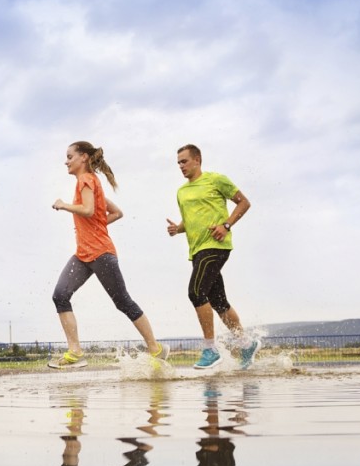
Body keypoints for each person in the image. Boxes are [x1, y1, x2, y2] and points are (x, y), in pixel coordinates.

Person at [51, 141, 169, 368]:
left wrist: (64, 205)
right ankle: (75, 352)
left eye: (69, 156)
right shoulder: (92, 183)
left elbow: (87, 210)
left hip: (101, 253)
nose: (66, 161)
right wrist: (97, 225)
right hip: (83, 254)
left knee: (122, 301)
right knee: (60, 295)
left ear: (83, 157)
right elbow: (116, 213)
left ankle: (156, 348)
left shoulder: (86, 180)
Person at [166, 144, 258, 370]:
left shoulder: (217, 180)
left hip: (216, 245)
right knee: (218, 302)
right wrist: (178, 229)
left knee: (196, 292)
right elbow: (191, 219)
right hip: (196, 250)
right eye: (178, 162)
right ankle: (245, 344)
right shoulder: (182, 191)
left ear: (197, 159)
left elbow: (244, 202)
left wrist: (226, 225)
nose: (181, 166)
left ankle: (210, 348)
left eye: (184, 161)